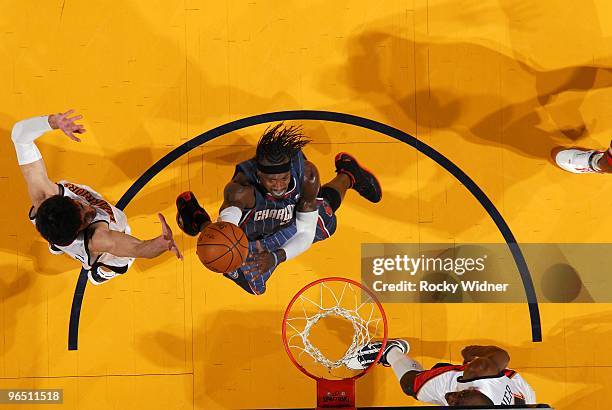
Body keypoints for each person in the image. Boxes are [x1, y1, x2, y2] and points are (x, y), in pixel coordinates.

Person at [175, 123, 382, 295]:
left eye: (284, 178)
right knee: (245, 275)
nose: (279, 185)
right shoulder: (240, 190)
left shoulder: (307, 176)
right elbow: (227, 227)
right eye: (271, 180)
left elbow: (306, 233)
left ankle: (348, 174)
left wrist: (276, 257)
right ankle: (196, 217)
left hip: (287, 219)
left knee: (323, 221)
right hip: (250, 228)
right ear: (259, 174)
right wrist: (219, 243)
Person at [11, 110, 182, 285]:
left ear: (66, 200)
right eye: (86, 218)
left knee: (52, 227)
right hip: (99, 252)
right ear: (80, 230)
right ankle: (102, 273)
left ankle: (56, 243)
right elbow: (138, 248)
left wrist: (52, 122)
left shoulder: (43, 196)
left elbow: (20, 136)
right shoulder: (99, 239)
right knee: (121, 262)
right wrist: (162, 244)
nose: (90, 209)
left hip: (60, 234)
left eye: (80, 205)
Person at [346, 340, 536, 406]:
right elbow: (502, 356)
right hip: (515, 388)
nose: (450, 398)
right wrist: (476, 351)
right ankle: (390, 351)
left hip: (515, 395)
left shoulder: (463, 398)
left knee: (439, 372)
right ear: (472, 389)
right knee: (411, 386)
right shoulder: (481, 372)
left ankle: (441, 368)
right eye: (459, 395)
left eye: (453, 401)